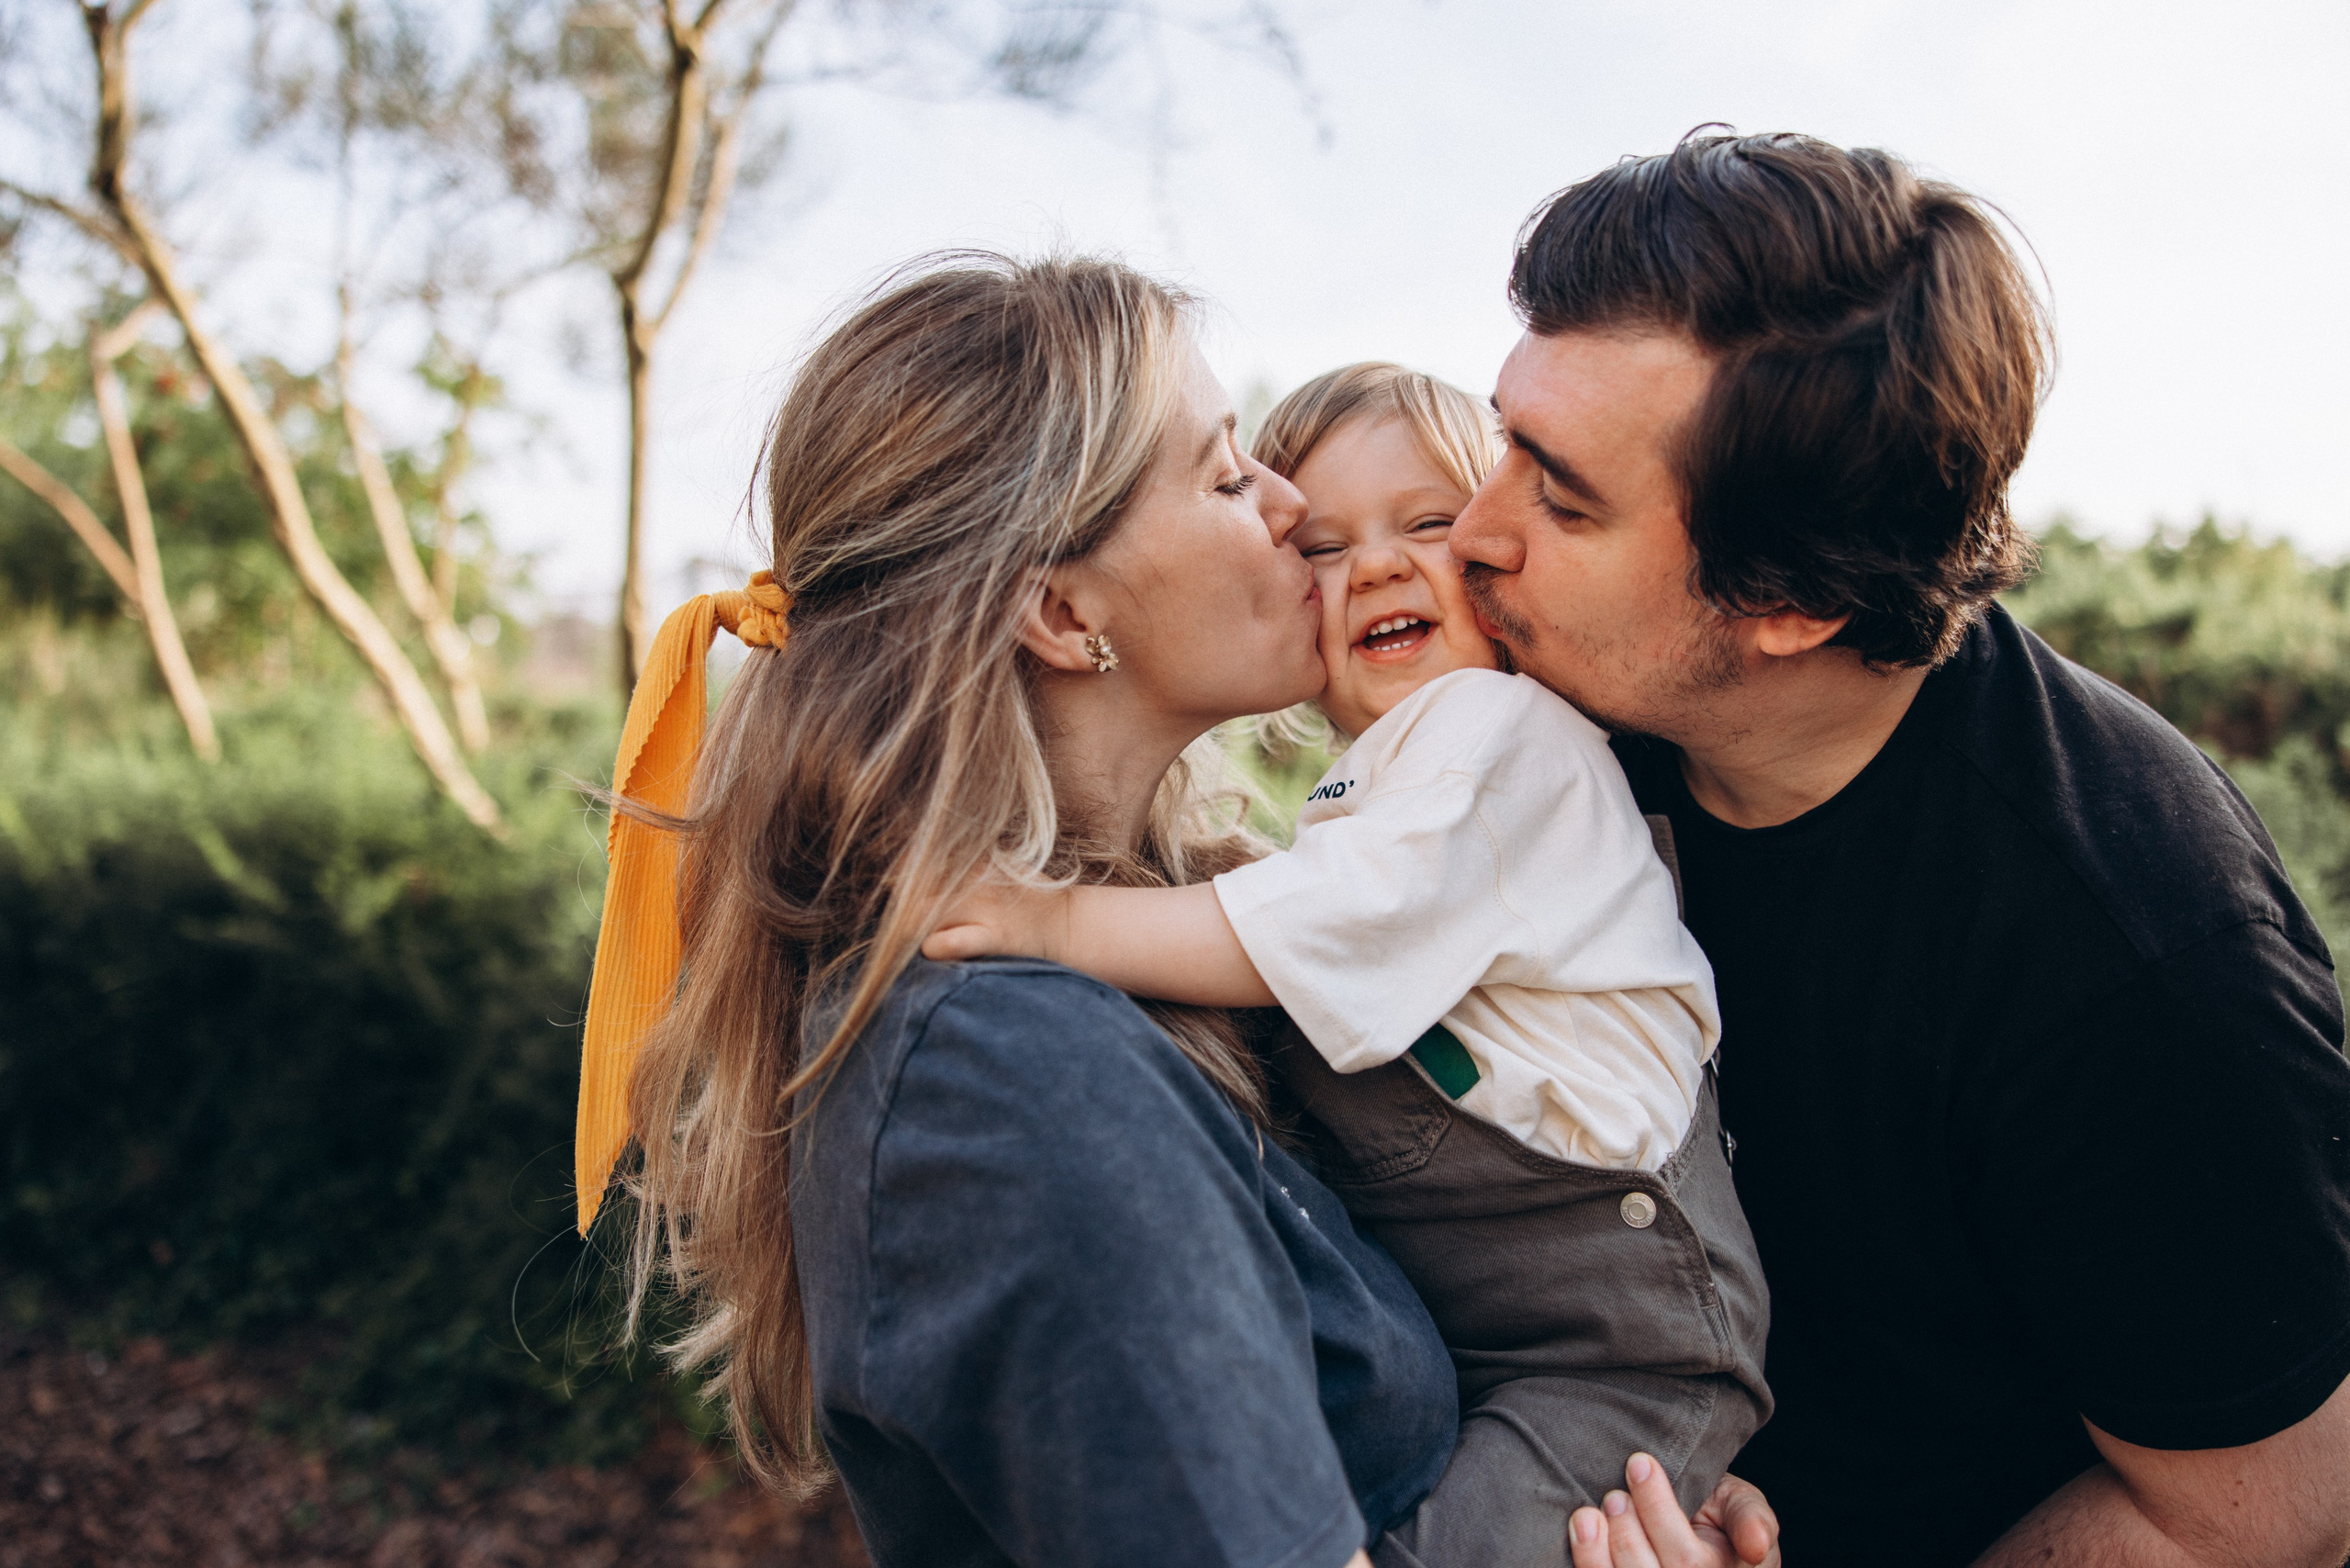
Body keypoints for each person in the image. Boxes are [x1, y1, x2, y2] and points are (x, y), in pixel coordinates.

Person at [568, 256, 1779, 1568]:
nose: (1285, 501)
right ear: (1061, 609)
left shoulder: (1153, 960)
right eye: (1223, 475)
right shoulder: (1010, 1068)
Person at [1450, 130, 2350, 1568]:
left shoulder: (2133, 955)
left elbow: (2257, 1516)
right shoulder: (1545, 706)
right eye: (1501, 437)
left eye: (1562, 499)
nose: (1474, 528)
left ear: (1787, 604)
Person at [925, 361, 1773, 1563]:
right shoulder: (1375, 786)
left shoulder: (1496, 736)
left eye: (1427, 524)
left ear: (1496, 552)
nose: (1375, 566)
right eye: (1319, 547)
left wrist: (1048, 923)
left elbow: (1324, 923)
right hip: (1523, 1320)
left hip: (1618, 1340)